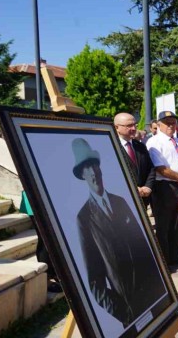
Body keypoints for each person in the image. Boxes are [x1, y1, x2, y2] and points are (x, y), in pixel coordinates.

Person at [71, 138, 165, 328]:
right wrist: (123, 312)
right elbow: (94, 281)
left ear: (100, 168)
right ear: (82, 175)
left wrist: (160, 287)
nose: (92, 173)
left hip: (152, 294)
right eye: (86, 169)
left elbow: (143, 245)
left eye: (93, 166)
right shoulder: (84, 217)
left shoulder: (120, 201)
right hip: (129, 305)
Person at [146, 111, 178, 267]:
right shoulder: (154, 142)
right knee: (164, 225)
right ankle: (164, 260)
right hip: (165, 187)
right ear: (159, 124)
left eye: (173, 122)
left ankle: (176, 256)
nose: (170, 125)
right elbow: (160, 168)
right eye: (166, 122)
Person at [114, 113, 154, 203]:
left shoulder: (140, 146)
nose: (133, 128)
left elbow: (150, 168)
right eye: (129, 126)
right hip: (123, 199)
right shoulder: (112, 147)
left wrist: (148, 186)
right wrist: (131, 188)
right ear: (117, 127)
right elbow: (112, 175)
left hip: (143, 198)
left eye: (135, 125)